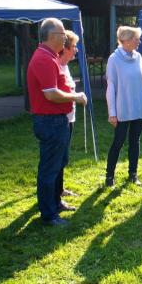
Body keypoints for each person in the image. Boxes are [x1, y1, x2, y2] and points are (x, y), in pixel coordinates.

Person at [27, 18, 87, 226]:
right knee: (49, 168)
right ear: (53, 37)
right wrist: (76, 97)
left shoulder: (49, 56)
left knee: (56, 164)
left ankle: (55, 203)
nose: (65, 39)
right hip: (50, 121)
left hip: (56, 120)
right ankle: (49, 214)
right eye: (63, 35)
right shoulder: (44, 59)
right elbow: (51, 94)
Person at [105, 26, 142, 187]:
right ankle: (109, 176)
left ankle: (133, 174)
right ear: (125, 40)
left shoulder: (138, 56)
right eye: (136, 38)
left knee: (135, 141)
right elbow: (111, 86)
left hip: (138, 107)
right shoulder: (114, 58)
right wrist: (112, 112)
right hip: (122, 109)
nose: (139, 41)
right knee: (118, 141)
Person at [56, 30, 81, 198]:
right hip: (59, 119)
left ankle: (59, 189)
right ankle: (54, 194)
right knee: (58, 157)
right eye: (74, 46)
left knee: (63, 156)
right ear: (64, 48)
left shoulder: (65, 66)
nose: (76, 50)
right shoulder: (56, 65)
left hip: (69, 117)